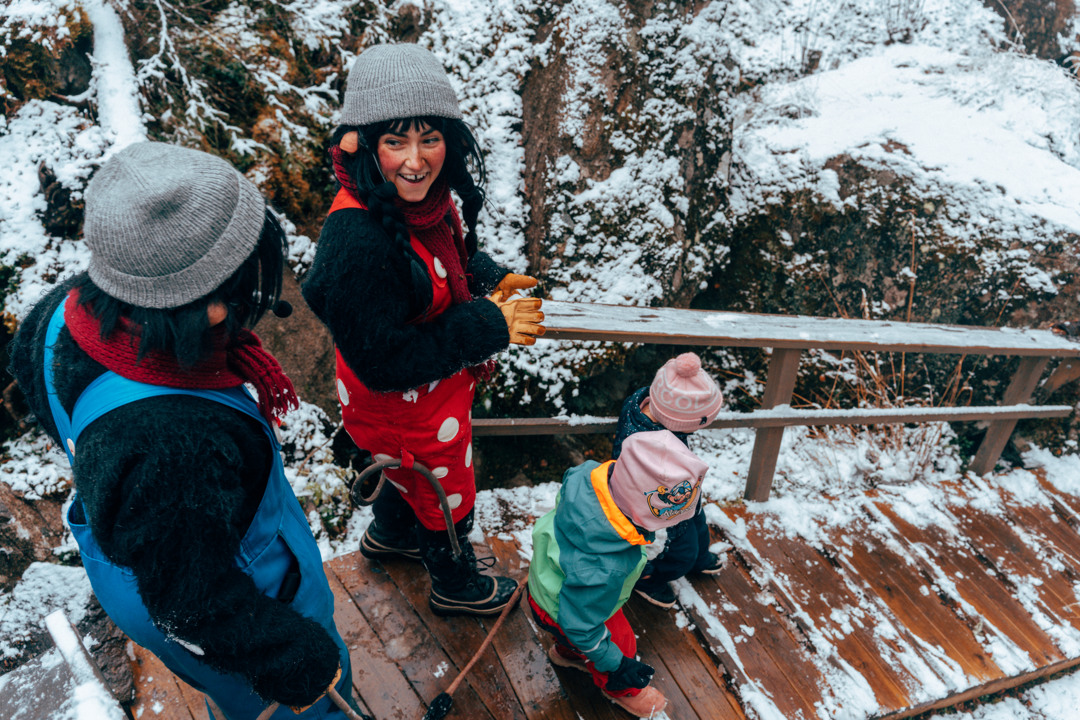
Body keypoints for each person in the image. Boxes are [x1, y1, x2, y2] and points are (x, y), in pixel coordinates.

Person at [8, 142, 359, 719]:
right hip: (226, 598)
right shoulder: (172, 445)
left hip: (145, 557)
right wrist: (296, 656)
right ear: (210, 303)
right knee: (294, 700)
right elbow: (192, 606)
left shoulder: (57, 317)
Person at [301, 43, 545, 617]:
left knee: (397, 476)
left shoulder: (429, 203)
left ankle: (392, 536)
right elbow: (384, 361)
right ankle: (455, 586)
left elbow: (445, 261)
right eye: (396, 141)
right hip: (402, 402)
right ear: (361, 144)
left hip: (412, 401)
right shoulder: (357, 240)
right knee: (445, 496)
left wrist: (489, 277)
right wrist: (491, 322)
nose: (416, 160)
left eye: (429, 138)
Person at [527, 430, 709, 717]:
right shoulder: (604, 565)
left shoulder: (586, 480)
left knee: (574, 635)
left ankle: (568, 654)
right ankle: (621, 689)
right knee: (619, 642)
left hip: (546, 586)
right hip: (569, 611)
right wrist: (619, 665)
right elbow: (582, 625)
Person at [612, 352, 725, 609]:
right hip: (661, 506)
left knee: (698, 521)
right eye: (698, 424)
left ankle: (700, 557)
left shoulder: (646, 401)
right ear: (677, 423)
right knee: (679, 552)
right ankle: (649, 578)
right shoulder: (653, 449)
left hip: (684, 494)